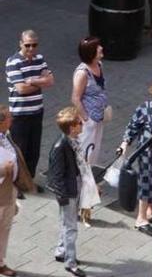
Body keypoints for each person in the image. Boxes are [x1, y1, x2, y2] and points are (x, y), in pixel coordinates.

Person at [5, 29, 53, 194]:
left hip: (37, 111)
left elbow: (51, 81)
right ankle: (16, 186)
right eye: (27, 45)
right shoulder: (13, 62)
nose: (31, 49)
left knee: (34, 150)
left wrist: (32, 80)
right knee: (20, 151)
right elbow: (21, 89)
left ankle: (29, 181)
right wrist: (41, 81)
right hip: (19, 114)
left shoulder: (39, 59)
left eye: (34, 45)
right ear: (20, 44)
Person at [118, 79, 152, 235]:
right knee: (146, 185)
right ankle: (141, 218)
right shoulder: (146, 109)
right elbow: (132, 127)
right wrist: (124, 144)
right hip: (147, 156)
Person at [47, 107, 86, 277]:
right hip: (68, 191)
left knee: (65, 222)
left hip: (73, 186)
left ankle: (61, 251)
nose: (82, 123)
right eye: (79, 122)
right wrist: (63, 197)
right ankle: (70, 263)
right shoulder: (60, 146)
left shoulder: (71, 141)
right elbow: (56, 175)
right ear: (71, 128)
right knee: (71, 227)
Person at [0, 105, 35, 277]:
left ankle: (0, 262)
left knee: (5, 228)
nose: (12, 120)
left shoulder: (6, 137)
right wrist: (2, 169)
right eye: (9, 118)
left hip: (9, 191)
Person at [71, 37, 107, 166]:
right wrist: (87, 119)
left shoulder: (99, 65)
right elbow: (75, 98)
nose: (101, 48)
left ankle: (90, 182)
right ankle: (81, 183)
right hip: (88, 121)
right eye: (97, 47)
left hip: (99, 117)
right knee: (85, 154)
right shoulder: (82, 73)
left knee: (94, 152)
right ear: (90, 52)